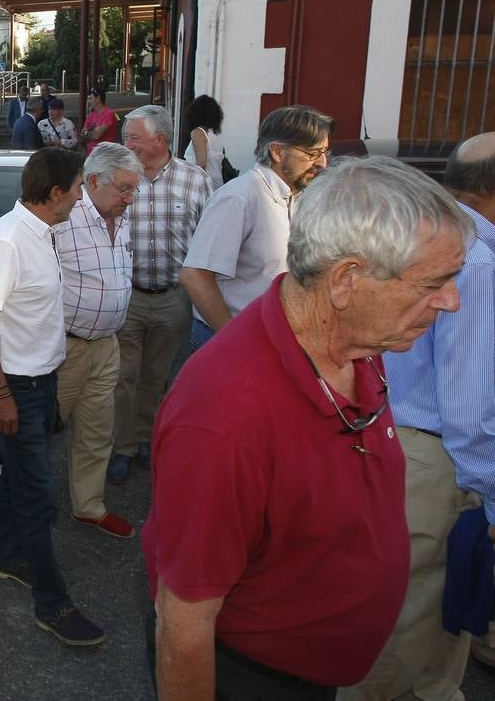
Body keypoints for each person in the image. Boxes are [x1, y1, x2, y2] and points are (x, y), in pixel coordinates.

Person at [145, 156, 473, 698]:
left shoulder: (357, 344)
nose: (452, 300)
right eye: (435, 282)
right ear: (347, 279)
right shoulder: (226, 417)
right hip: (253, 680)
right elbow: (184, 624)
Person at [342, 133, 495, 701]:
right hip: (440, 457)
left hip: (405, 440)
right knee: (411, 620)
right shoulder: (473, 258)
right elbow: (468, 407)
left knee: (440, 613)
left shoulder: (427, 233)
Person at [0, 148, 106, 648]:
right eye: (77, 188)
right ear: (55, 194)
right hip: (18, 387)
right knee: (38, 495)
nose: (80, 196)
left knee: (21, 477)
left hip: (40, 380)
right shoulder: (8, 240)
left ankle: (4, 556)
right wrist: (0, 393)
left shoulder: (41, 232)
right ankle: (53, 604)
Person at [108, 106, 210, 484]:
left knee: (157, 376)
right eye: (126, 136)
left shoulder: (195, 181)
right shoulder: (118, 177)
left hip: (174, 298)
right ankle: (122, 448)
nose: (126, 143)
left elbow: (207, 238)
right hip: (127, 296)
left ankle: (145, 439)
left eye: (134, 137)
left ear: (161, 141)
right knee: (123, 377)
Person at [179, 106, 332, 352]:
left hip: (271, 339)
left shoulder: (297, 197)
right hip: (231, 342)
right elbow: (194, 276)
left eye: (325, 152)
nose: (323, 163)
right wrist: (234, 338)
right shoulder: (240, 197)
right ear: (278, 152)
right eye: (313, 153)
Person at [54, 143, 139, 539]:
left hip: (107, 344)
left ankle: (88, 506)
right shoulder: (62, 218)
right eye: (123, 189)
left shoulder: (121, 217)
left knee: (96, 431)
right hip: (65, 347)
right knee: (41, 428)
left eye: (133, 189)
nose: (130, 198)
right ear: (92, 181)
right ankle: (21, 500)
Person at [182, 94, 226, 190]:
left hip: (203, 187)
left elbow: (201, 163)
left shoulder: (198, 133)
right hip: (217, 184)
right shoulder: (216, 135)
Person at [80, 88, 116, 154]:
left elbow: (97, 135)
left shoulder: (109, 114)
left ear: (98, 98)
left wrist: (87, 133)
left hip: (104, 156)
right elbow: (82, 133)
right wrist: (90, 132)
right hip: (90, 155)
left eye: (90, 98)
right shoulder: (91, 115)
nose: (88, 102)